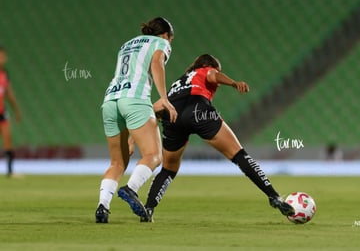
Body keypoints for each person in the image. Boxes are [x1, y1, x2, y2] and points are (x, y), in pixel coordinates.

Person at [138, 54, 294, 222]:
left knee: (168, 169)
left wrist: (134, 138)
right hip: (198, 111)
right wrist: (234, 83)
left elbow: (156, 107)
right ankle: (274, 196)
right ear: (207, 65)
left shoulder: (178, 83)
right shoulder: (205, 70)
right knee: (239, 155)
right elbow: (213, 75)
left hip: (173, 117)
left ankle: (148, 208)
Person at [95, 17, 177, 223]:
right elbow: (157, 62)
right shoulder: (161, 43)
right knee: (154, 155)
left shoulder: (126, 45)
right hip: (135, 99)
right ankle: (131, 189)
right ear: (166, 35)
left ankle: (102, 207)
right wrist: (164, 99)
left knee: (117, 162)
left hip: (110, 101)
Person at [0, 47, 22, 177]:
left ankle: (9, 170)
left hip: (2, 112)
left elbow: (10, 95)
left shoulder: (5, 74)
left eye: (3, 57)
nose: (2, 59)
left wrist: (16, 111)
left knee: (8, 138)